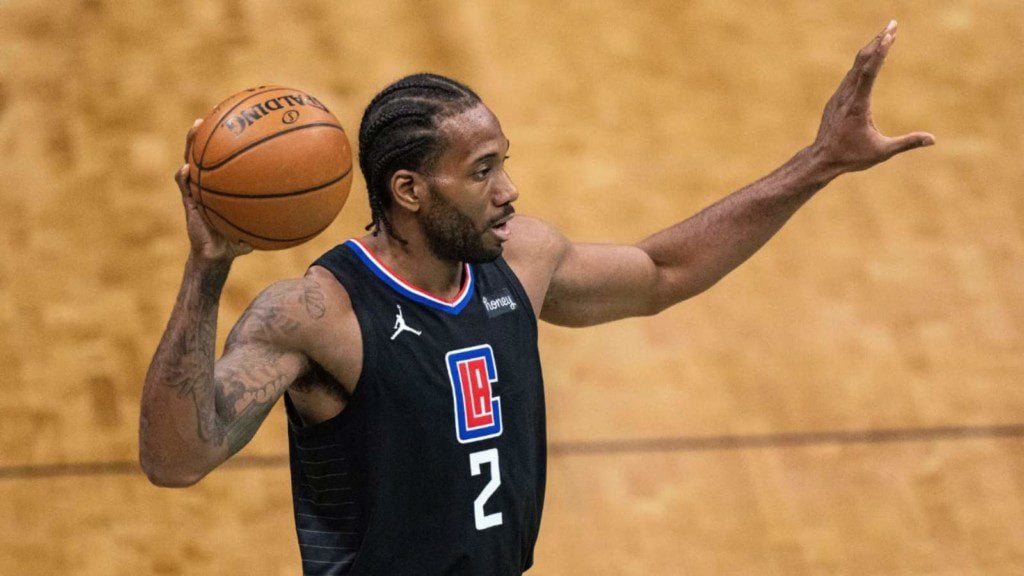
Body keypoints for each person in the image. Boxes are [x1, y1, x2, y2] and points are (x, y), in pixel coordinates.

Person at [140, 21, 932, 576]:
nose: (509, 190)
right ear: (409, 189)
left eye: (503, 162)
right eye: (482, 170)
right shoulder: (317, 315)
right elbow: (178, 461)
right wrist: (208, 268)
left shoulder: (520, 261)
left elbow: (664, 273)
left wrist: (821, 161)